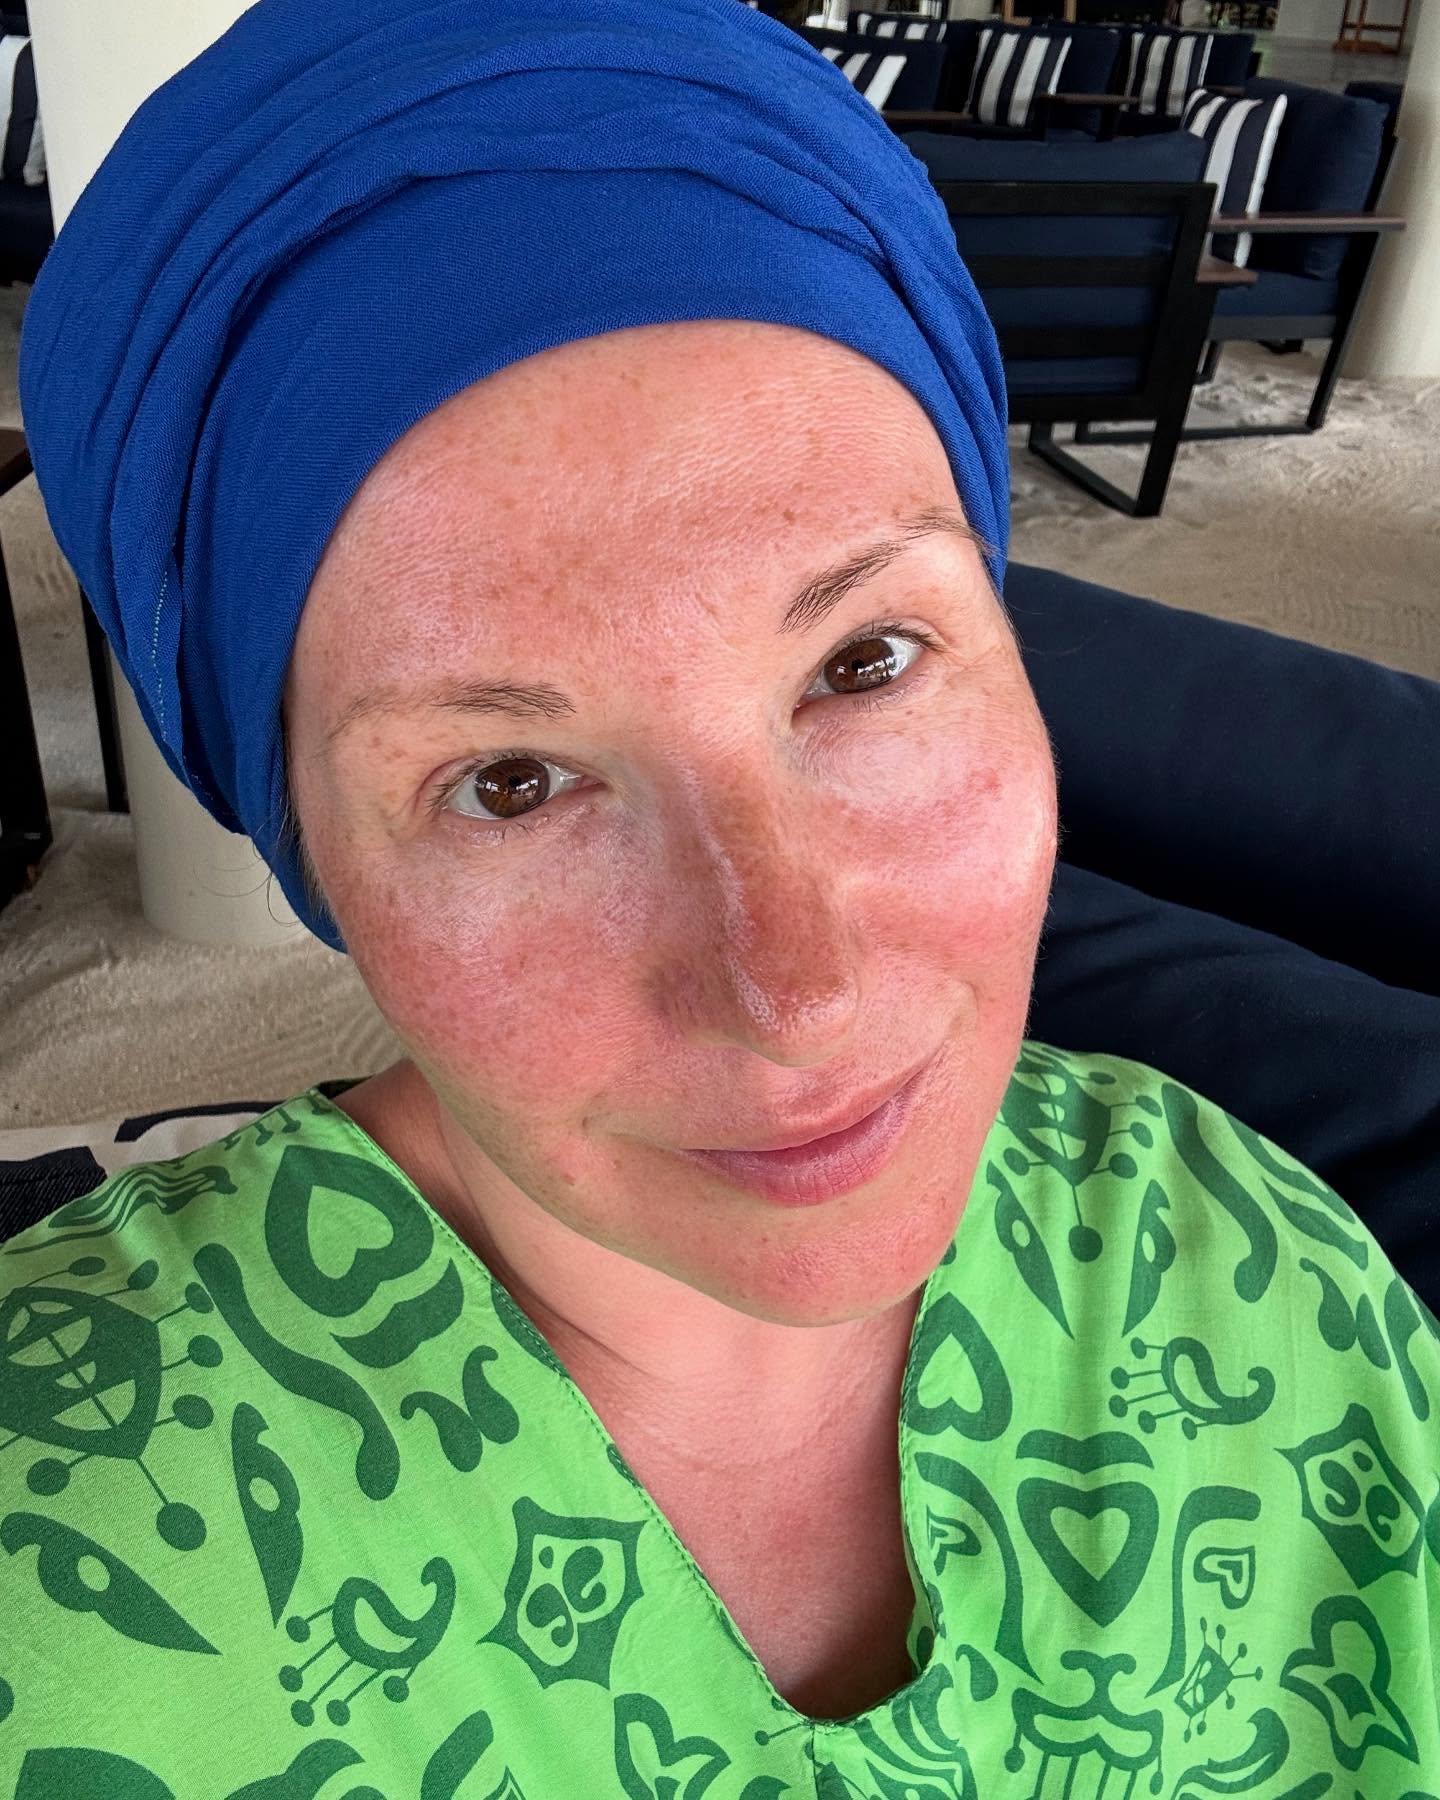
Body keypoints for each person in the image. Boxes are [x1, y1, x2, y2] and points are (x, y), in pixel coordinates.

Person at [4, 0, 1437, 1793]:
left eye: (866, 662)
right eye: (509, 782)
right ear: (311, 855)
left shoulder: (1258, 1264)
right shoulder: (54, 1552)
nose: (796, 989)